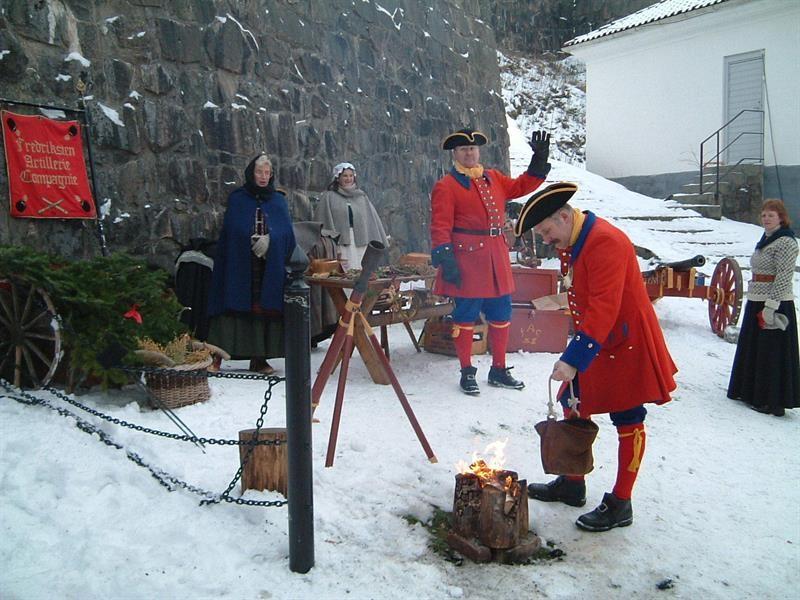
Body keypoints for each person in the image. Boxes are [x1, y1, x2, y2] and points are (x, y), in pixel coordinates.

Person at [515, 182, 677, 532]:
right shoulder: (575, 237)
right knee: (572, 401)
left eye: (546, 231)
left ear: (564, 215)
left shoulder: (605, 241)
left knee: (628, 416)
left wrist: (575, 356)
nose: (545, 239)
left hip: (624, 341)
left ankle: (621, 501)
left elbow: (605, 306)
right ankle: (573, 483)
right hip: (598, 336)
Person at [430, 127, 550, 395]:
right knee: (465, 316)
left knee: (501, 313)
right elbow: (439, 225)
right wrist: (445, 257)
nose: (469, 153)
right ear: (455, 154)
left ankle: (498, 368)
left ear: (478, 151)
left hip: (496, 256)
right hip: (467, 260)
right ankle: (466, 371)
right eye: (464, 149)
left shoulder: (493, 177)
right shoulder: (446, 186)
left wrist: (538, 161)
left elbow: (521, 186)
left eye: (473, 149)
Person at [206, 153, 296, 374]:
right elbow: (231, 231)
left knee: (262, 309)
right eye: (259, 172)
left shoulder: (278, 201)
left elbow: (287, 234)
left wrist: (270, 241)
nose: (263, 177)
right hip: (239, 262)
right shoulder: (238, 198)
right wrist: (249, 239)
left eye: (267, 173)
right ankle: (216, 357)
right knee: (230, 305)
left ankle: (259, 358)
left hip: (267, 264)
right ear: (251, 173)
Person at [727, 199, 799, 416]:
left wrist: (771, 306)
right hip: (757, 298)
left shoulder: (786, 242)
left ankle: (772, 400)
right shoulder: (766, 239)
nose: (766, 218)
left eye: (771, 215)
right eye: (764, 215)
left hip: (774, 302)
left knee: (771, 352)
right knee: (756, 349)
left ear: (781, 218)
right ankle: (751, 391)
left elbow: (784, 276)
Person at [314, 162, 389, 270]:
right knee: (345, 269)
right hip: (341, 243)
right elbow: (323, 220)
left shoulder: (361, 197)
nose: (348, 179)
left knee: (361, 269)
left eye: (351, 175)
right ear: (338, 177)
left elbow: (371, 220)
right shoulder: (329, 197)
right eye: (345, 176)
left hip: (361, 241)